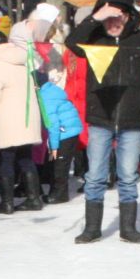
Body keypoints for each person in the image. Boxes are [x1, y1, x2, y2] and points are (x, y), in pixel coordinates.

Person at [67, 0, 140, 244]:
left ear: (128, 16)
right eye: (107, 18)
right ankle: (92, 228)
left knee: (128, 175)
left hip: (132, 120)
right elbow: (70, 43)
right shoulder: (94, 40)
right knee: (96, 174)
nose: (113, 23)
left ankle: (128, 228)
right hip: (101, 116)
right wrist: (95, 18)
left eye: (117, 17)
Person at [0, 22, 45, 213]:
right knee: (25, 157)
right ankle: (34, 198)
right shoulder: (21, 62)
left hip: (8, 119)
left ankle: (6, 202)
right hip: (27, 118)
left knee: (6, 159)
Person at [38, 49, 83, 204]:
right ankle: (55, 191)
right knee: (58, 163)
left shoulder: (46, 98)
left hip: (65, 132)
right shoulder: (51, 91)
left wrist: (54, 146)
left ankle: (60, 194)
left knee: (60, 163)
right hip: (70, 129)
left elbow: (53, 123)